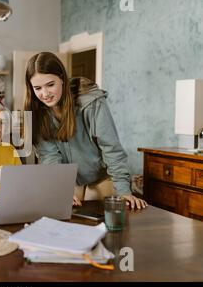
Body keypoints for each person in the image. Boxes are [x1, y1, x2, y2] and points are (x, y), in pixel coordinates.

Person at [24, 52, 147, 210]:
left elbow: (111, 148)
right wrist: (62, 189)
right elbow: (50, 157)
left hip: (102, 177)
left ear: (62, 78)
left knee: (98, 214)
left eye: (50, 85)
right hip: (69, 180)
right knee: (69, 215)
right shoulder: (38, 114)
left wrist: (124, 190)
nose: (45, 94)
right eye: (38, 88)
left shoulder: (91, 103)